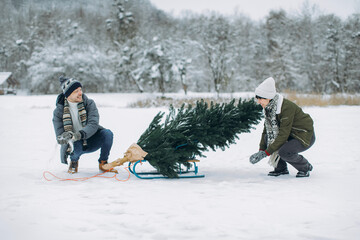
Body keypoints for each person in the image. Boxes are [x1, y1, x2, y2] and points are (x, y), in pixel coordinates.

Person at [249, 77, 315, 177]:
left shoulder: (286, 107)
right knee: (269, 138)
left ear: (269, 97)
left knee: (285, 152)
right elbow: (266, 130)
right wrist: (261, 150)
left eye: (261, 98)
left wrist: (266, 153)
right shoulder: (269, 108)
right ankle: (281, 169)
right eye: (257, 98)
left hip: (304, 135)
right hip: (290, 135)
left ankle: (305, 167)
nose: (259, 101)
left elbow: (283, 134)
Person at [52, 76, 117, 174]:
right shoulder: (59, 112)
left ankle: (103, 163)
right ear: (68, 95)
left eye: (80, 89)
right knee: (75, 144)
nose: (80, 93)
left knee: (107, 134)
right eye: (76, 91)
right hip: (75, 143)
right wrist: (63, 138)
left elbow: (93, 124)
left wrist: (79, 134)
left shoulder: (89, 103)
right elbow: (59, 132)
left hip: (91, 138)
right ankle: (74, 162)